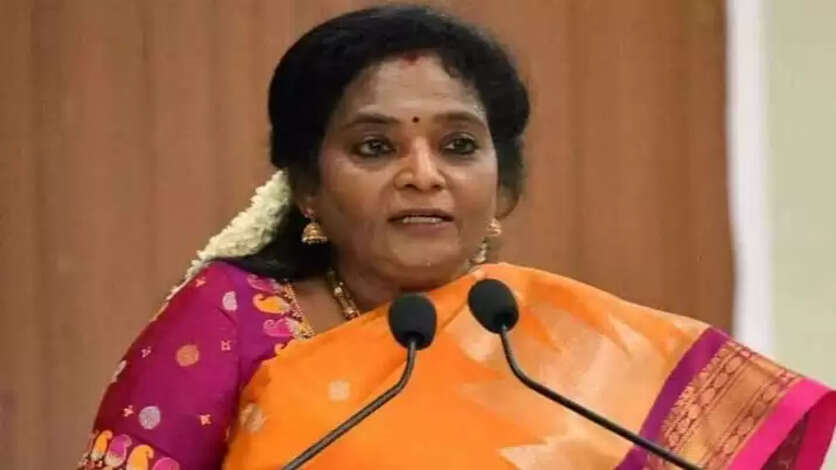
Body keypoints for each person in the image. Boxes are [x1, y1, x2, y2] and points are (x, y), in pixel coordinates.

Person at [78, 5, 834, 469]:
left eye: (459, 145)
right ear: (307, 185)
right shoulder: (228, 319)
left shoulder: (547, 340)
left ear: (501, 185)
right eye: (375, 147)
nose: (423, 175)